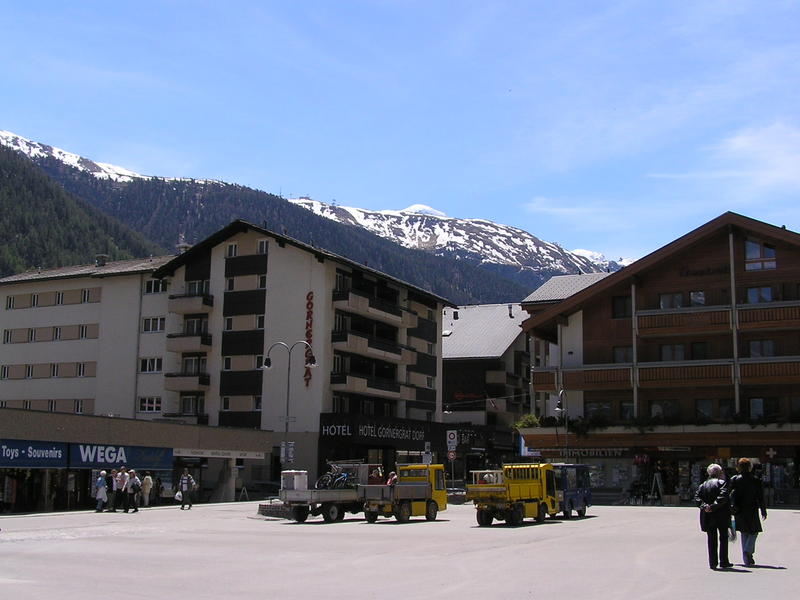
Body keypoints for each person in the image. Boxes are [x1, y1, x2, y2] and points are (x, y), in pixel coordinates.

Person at [729, 458, 767, 566]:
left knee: (744, 532)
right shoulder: (755, 480)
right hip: (752, 509)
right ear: (750, 467)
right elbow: (760, 497)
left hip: (738, 510)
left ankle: (746, 557)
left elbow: (729, 495)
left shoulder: (735, 479)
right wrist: (763, 510)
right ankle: (748, 551)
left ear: (739, 467)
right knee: (754, 532)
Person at [694, 463, 732, 570]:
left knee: (711, 539)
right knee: (723, 537)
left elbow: (697, 498)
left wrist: (705, 506)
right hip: (722, 515)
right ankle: (724, 561)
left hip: (708, 515)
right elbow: (723, 496)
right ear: (719, 473)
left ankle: (712, 562)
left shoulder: (703, 485)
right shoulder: (722, 483)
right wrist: (713, 506)